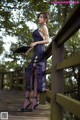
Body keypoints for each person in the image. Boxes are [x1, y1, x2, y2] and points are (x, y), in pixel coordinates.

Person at [19, 12, 49, 112]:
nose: (39, 18)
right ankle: (30, 100)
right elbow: (36, 43)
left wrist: (36, 42)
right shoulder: (40, 28)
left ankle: (32, 100)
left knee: (34, 74)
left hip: (40, 53)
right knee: (32, 74)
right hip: (36, 52)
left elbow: (47, 40)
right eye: (39, 17)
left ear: (45, 19)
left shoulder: (44, 27)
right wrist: (28, 50)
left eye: (41, 17)